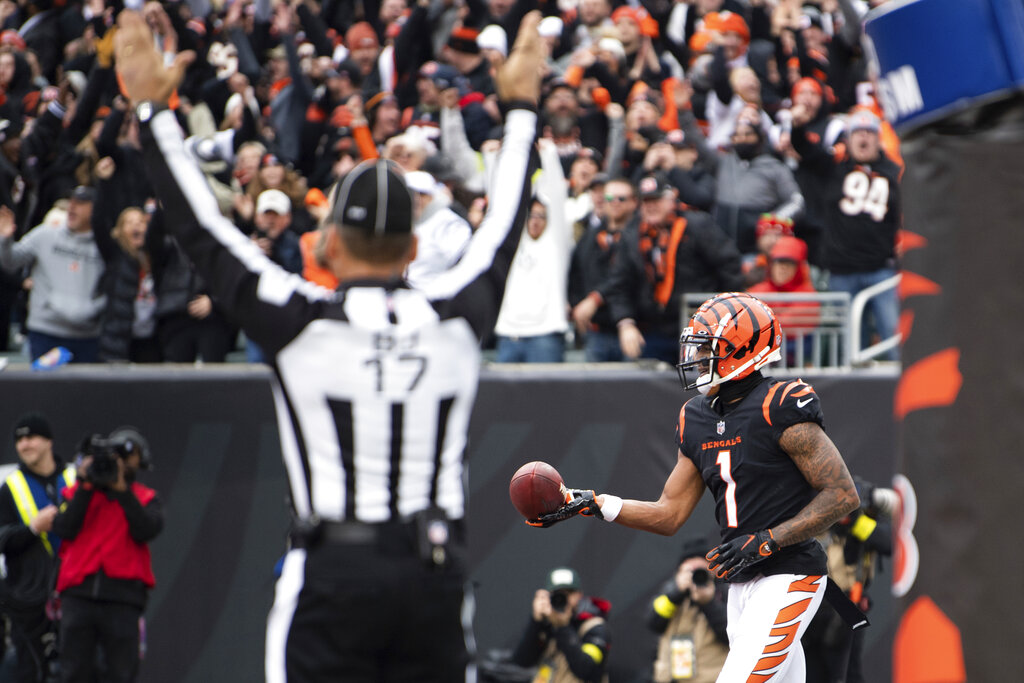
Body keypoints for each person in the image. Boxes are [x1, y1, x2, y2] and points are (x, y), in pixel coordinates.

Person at [112, 9, 544, 681]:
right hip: (432, 573)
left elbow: (202, 230)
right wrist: (521, 110)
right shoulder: (457, 316)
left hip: (332, 572)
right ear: (411, 246)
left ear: (327, 242)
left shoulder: (300, 323)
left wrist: (151, 110)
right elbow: (507, 219)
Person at [530, 291, 860, 682]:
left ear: (742, 350)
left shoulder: (779, 404)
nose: (697, 360)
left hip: (789, 576)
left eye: (708, 350)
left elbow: (842, 494)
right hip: (741, 584)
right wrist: (596, 503)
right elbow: (669, 513)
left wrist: (768, 539)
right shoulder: (697, 417)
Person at [52, 426, 162, 683]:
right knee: (74, 672)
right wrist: (85, 483)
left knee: (120, 673)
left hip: (122, 599)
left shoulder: (145, 498)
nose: (120, 463)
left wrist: (121, 490)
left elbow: (145, 529)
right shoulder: (79, 493)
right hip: (79, 595)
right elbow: (65, 527)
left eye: (127, 457)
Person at [790, 108, 901, 360]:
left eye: (869, 133)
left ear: (878, 138)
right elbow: (806, 149)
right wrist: (797, 126)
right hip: (842, 271)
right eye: (857, 132)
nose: (863, 138)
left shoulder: (893, 172)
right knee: (851, 350)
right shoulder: (834, 168)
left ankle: (901, 395)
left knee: (893, 340)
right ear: (848, 139)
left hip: (881, 269)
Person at [606, 174, 743, 364]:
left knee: (702, 384)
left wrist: (726, 316)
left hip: (699, 327)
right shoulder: (632, 234)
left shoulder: (697, 224)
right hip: (654, 328)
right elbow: (619, 283)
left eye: (656, 199)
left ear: (671, 199)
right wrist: (625, 323)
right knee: (639, 374)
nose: (650, 206)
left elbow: (729, 267)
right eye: (646, 201)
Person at [0, 413, 75, 683]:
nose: (24, 444)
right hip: (29, 598)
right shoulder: (11, 487)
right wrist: (33, 528)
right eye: (19, 439)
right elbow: (3, 538)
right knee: (29, 671)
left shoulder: (76, 478)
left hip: (75, 595)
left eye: (31, 437)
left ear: (48, 441)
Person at [0, 188, 106, 363]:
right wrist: (4, 240)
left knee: (85, 391)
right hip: (46, 332)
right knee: (44, 390)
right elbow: (11, 262)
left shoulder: (103, 245)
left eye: (80, 203)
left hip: (88, 335)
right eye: (71, 201)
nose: (72, 207)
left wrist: (95, 308)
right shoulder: (45, 234)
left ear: (94, 208)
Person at [804, 477, 894, 683]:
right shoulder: (809, 515)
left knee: (846, 674)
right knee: (811, 673)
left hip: (846, 601)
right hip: (812, 597)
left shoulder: (861, 519)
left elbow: (889, 542)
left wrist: (854, 523)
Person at [647, 537, 729, 683]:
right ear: (680, 571)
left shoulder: (724, 592)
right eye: (691, 571)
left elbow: (729, 633)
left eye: (701, 571)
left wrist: (708, 603)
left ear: (713, 569)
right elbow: (653, 621)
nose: (695, 576)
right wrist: (675, 593)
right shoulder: (671, 591)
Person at [511, 566, 611, 683]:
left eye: (569, 593)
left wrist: (563, 627)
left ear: (579, 594)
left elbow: (586, 670)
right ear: (548, 596)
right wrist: (536, 622)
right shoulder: (547, 622)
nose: (564, 599)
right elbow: (522, 661)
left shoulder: (596, 627)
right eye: (557, 594)